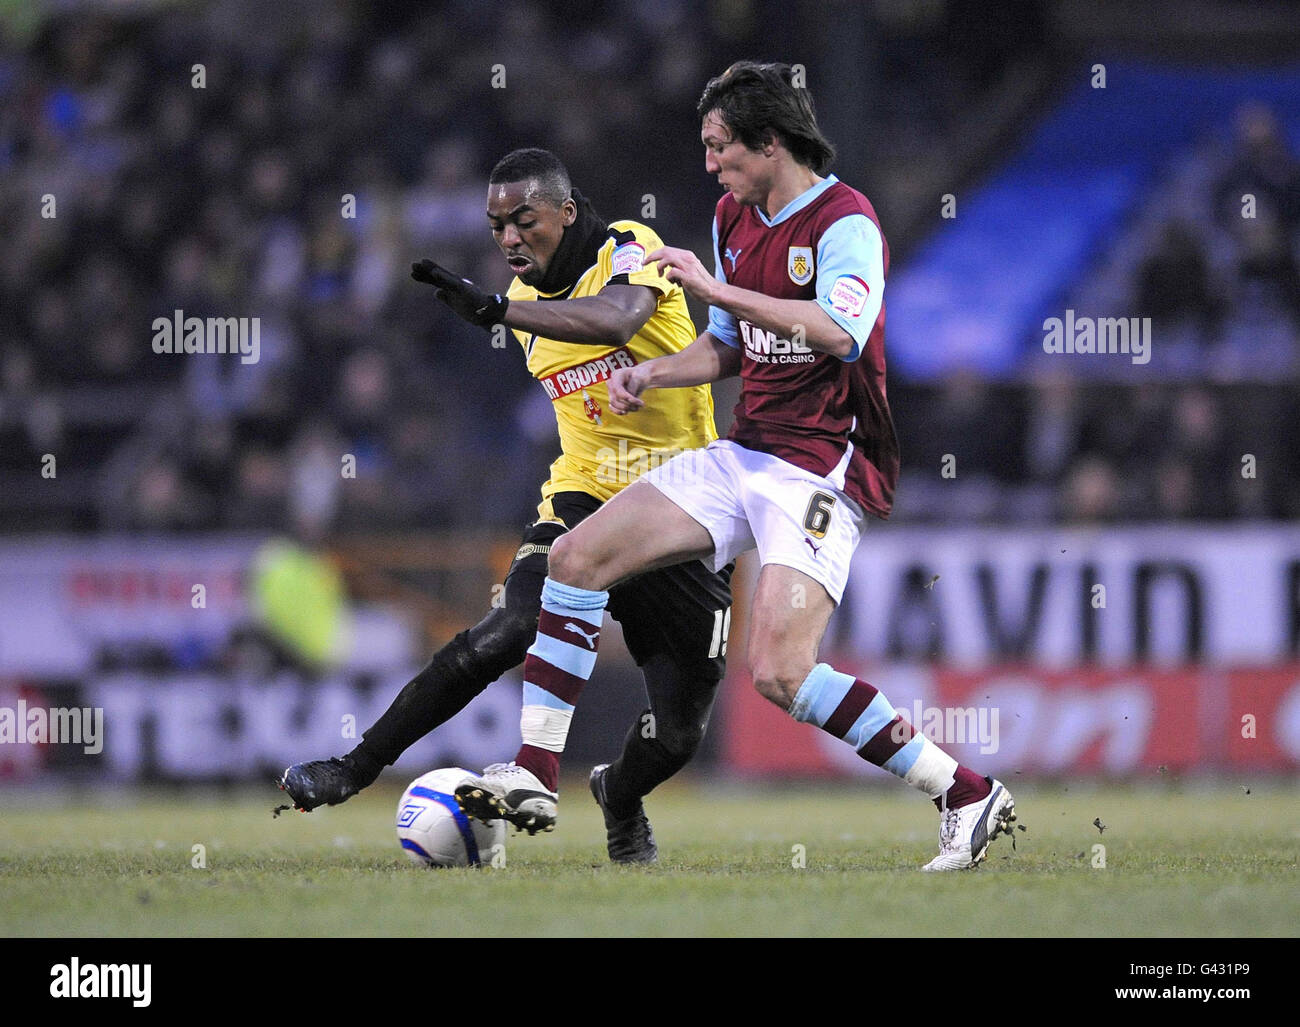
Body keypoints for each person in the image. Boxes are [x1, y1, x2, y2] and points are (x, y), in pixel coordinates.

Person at [459, 64, 1017, 871]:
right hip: (745, 451)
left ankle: (964, 791)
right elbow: (728, 342)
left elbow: (838, 330)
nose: (711, 164)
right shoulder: (733, 215)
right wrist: (653, 371)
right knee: (575, 558)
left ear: (770, 141)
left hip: (822, 468)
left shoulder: (845, 220)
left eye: (721, 147)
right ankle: (536, 772)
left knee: (782, 673)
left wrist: (715, 285)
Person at [278, 148, 733, 864]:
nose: (510, 238)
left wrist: (498, 307)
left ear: (567, 212)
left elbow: (619, 320)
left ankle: (620, 793)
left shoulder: (628, 247)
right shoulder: (524, 311)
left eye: (524, 220)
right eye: (497, 227)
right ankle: (354, 768)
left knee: (679, 732)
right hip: (582, 498)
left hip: (677, 507)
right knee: (507, 626)